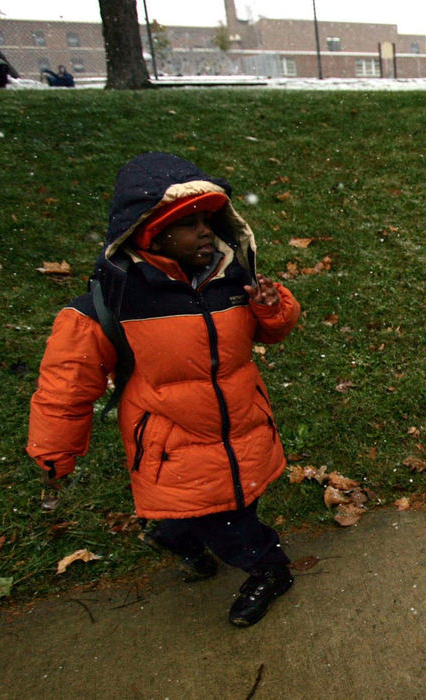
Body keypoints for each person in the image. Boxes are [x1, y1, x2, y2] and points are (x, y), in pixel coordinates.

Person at [27, 152, 301, 627]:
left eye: (207, 221)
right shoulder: (112, 302)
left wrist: (273, 309)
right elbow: (66, 387)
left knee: (221, 508)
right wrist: (54, 455)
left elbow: (273, 330)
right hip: (171, 440)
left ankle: (179, 536)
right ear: (151, 232)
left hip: (242, 424)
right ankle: (269, 567)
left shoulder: (230, 278)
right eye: (188, 224)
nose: (204, 233)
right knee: (223, 518)